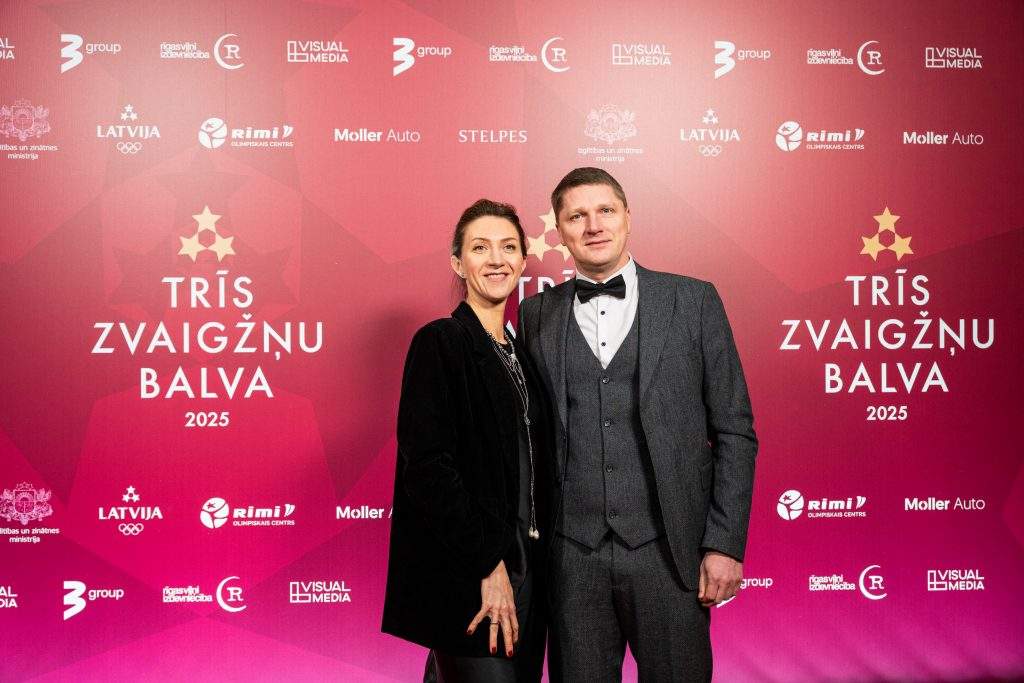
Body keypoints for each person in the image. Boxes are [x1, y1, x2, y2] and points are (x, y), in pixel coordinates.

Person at [517, 168, 758, 682]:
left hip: (669, 553)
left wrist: (724, 543)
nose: (593, 226)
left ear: (628, 217)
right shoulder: (535, 314)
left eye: (605, 211)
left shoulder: (693, 300)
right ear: (560, 230)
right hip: (572, 557)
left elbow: (734, 431)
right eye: (576, 216)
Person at [382, 199, 551, 682]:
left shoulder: (522, 355)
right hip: (474, 575)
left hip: (529, 575)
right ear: (459, 263)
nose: (496, 259)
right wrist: (488, 565)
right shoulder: (441, 341)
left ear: (522, 260)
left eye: (508, 247)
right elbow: (428, 469)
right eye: (480, 248)